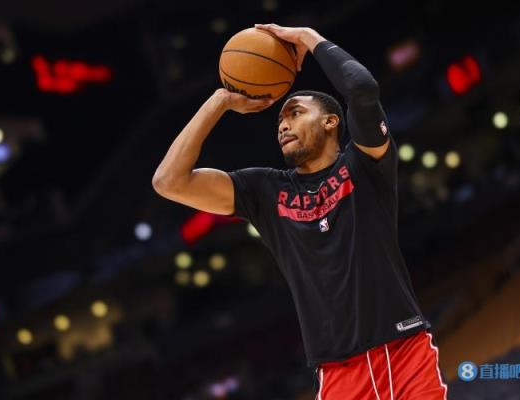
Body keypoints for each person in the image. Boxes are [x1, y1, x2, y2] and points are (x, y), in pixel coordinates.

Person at [152, 23, 448, 400]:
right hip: (338, 373)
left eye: (294, 113)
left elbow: (361, 87)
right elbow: (168, 181)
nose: (283, 125)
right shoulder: (265, 190)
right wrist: (219, 101)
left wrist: (308, 36)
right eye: (279, 120)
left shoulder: (364, 164)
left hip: (405, 354)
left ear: (331, 121)